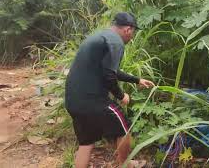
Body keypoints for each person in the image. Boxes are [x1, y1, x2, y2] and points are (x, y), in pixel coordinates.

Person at [65, 12, 155, 168]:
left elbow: (109, 70)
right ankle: (126, 164)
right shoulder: (116, 42)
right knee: (124, 129)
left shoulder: (101, 36)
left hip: (73, 100)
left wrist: (137, 80)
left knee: (86, 143)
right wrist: (121, 95)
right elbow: (109, 75)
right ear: (128, 29)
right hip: (92, 100)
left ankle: (126, 162)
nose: (131, 37)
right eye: (133, 32)